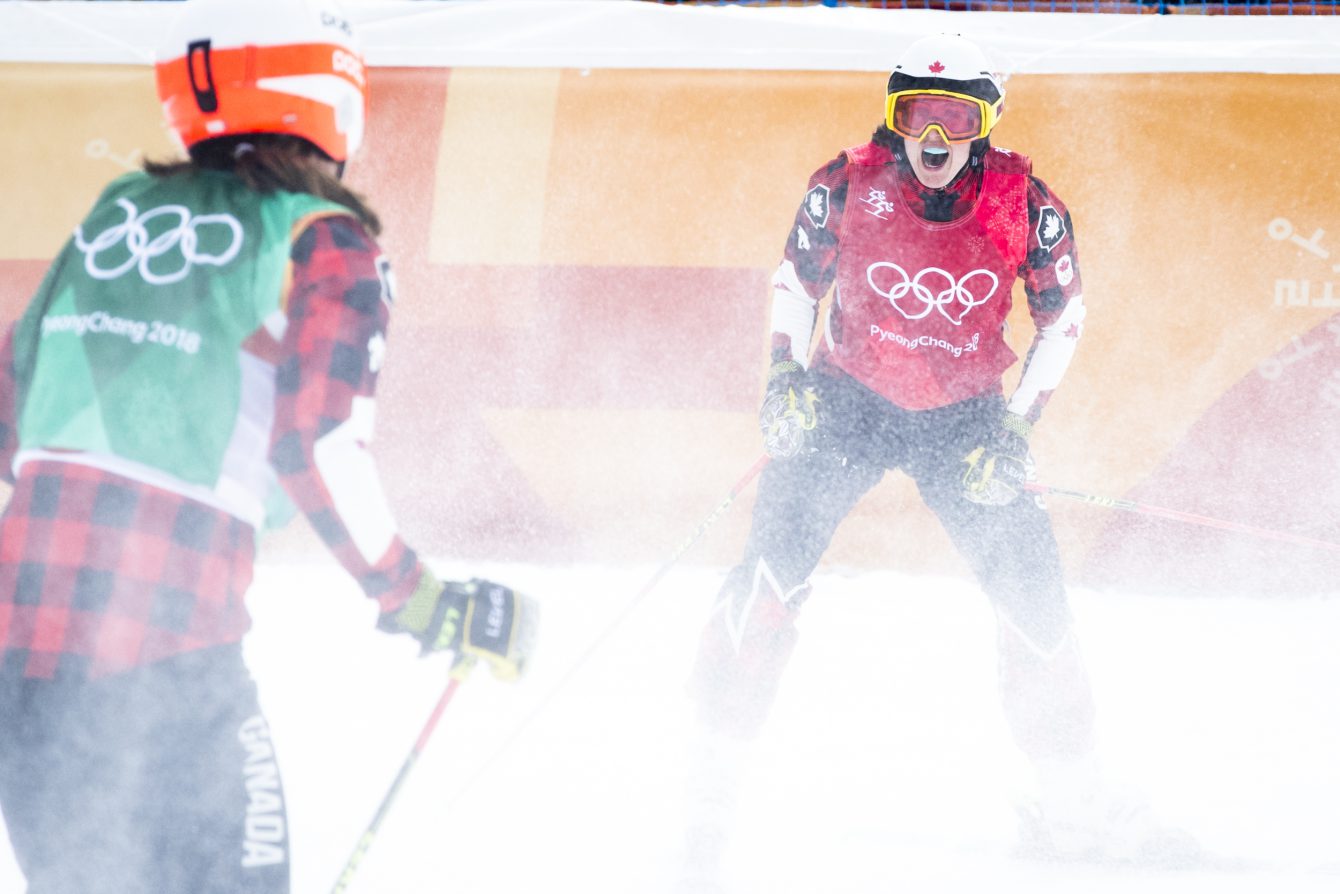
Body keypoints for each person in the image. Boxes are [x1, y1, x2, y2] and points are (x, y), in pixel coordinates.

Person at [0, 2, 536, 891]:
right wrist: (422, 601)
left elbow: (14, 398)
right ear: (327, 91)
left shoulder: (119, 212)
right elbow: (319, 448)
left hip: (22, 678)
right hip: (173, 664)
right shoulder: (320, 240)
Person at [683, 33, 1183, 886]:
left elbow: (1062, 318)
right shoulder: (848, 183)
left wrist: (1016, 431)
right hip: (847, 400)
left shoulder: (1026, 205)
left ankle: (1074, 805)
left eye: (959, 117)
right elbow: (798, 280)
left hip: (966, 422)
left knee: (1033, 600)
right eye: (917, 114)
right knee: (764, 581)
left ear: (987, 123)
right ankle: (706, 798)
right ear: (895, 117)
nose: (937, 137)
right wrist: (784, 380)